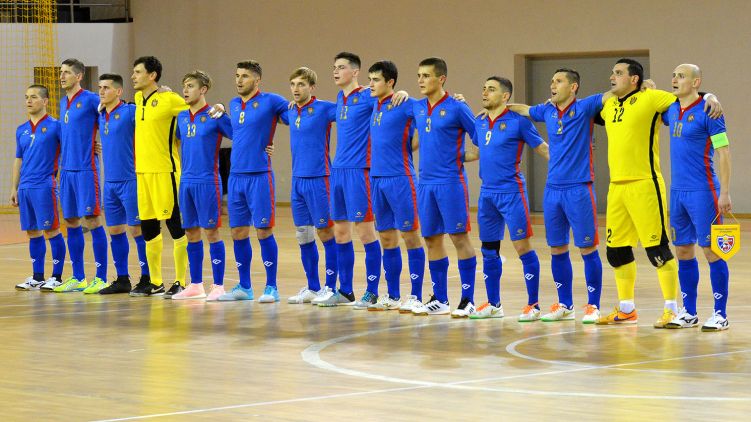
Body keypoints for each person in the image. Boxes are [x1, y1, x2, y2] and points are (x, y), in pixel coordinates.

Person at [596, 58, 720, 328]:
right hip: (616, 187)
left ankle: (672, 309)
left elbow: (686, 101)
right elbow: (592, 111)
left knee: (658, 249)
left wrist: (709, 95)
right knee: (616, 251)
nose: (612, 77)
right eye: (612, 73)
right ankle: (627, 308)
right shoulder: (609, 105)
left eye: (618, 73)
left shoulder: (653, 99)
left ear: (634, 79)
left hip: (645, 184)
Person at [507, 68, 606, 323]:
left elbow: (616, 94)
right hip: (552, 190)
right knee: (557, 247)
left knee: (587, 247)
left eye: (558, 81)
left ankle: (593, 306)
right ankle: (565, 304)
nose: (552, 85)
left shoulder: (586, 107)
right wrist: (499, 106)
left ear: (573, 87)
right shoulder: (546, 110)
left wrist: (646, 85)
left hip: (579, 188)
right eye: (551, 80)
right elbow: (525, 109)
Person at [468, 76, 549, 320]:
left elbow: (542, 148)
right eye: (484, 88)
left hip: (512, 193)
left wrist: (567, 166)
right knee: (489, 249)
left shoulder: (518, 123)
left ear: (505, 96)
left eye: (491, 89)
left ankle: (533, 305)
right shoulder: (479, 122)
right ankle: (494, 304)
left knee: (522, 247)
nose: (485, 92)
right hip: (487, 195)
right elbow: (477, 151)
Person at [662, 64, 731, 331]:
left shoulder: (709, 111)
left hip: (704, 192)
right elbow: (652, 97)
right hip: (677, 193)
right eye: (674, 75)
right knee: (682, 249)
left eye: (681, 76)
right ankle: (689, 312)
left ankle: (720, 314)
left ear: (696, 82)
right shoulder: (670, 109)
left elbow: (724, 152)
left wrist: (724, 191)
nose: (675, 79)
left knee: (712, 251)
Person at [409, 57, 477, 317]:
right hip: (425, 183)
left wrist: (462, 157)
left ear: (441, 79)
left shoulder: (458, 108)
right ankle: (440, 298)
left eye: (426, 75)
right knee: (431, 239)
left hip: (450, 183)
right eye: (418, 75)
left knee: (459, 238)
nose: (421, 81)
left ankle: (468, 299)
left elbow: (482, 139)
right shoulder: (416, 107)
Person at [218, 60, 288, 302]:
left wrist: (271, 141)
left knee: (263, 230)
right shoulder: (234, 104)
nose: (239, 80)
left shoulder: (272, 101)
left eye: (245, 76)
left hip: (260, 176)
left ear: (257, 80)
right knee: (237, 231)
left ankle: (272, 287)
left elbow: (296, 118)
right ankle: (244, 287)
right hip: (236, 177)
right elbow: (236, 131)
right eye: (237, 75)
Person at [364, 60, 425, 312]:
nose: (371, 84)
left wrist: (406, 92)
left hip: (401, 178)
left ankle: (416, 295)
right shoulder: (372, 103)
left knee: (410, 236)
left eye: (376, 79)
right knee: (387, 238)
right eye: (370, 79)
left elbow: (429, 112)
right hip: (377, 179)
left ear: (390, 82)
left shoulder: (406, 104)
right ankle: (392, 295)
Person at [166, 70, 233, 301]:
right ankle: (195, 285)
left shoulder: (215, 116)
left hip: (208, 181)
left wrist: (224, 108)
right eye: (184, 86)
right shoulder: (182, 118)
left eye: (191, 86)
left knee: (211, 232)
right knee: (191, 232)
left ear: (203, 89)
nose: (185, 90)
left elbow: (241, 136)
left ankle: (218, 285)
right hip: (186, 183)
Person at [128, 55, 190, 298]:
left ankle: (181, 281)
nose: (133, 76)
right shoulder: (137, 99)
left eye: (138, 72)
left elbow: (197, 109)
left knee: (175, 225)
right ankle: (155, 282)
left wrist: (219, 109)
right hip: (142, 172)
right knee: (149, 227)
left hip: (166, 171)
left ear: (152, 75)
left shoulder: (170, 99)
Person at [279, 67, 339, 304]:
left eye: (301, 84)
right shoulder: (290, 111)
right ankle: (312, 287)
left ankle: (331, 287)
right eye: (293, 84)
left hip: (320, 178)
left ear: (312, 87)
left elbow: (351, 112)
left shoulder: (324, 108)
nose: (296, 89)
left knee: (325, 232)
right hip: (297, 181)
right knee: (303, 234)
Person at [54, 58, 108, 293]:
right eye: (61, 72)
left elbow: (108, 120)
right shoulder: (63, 102)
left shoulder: (92, 99)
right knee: (71, 221)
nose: (62, 76)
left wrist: (100, 142)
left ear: (79, 76)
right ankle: (78, 277)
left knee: (93, 220)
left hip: (87, 170)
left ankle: (101, 277)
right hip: (67, 170)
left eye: (66, 72)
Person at [96, 73, 151, 295]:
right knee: (115, 230)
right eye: (100, 87)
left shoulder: (130, 112)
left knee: (137, 229)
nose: (101, 91)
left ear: (118, 91)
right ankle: (122, 279)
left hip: (131, 180)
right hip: (110, 183)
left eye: (107, 88)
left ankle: (148, 278)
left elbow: (154, 118)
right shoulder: (100, 114)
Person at [12, 85, 67, 291]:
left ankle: (57, 277)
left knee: (51, 230)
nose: (28, 101)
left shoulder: (56, 126)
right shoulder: (21, 130)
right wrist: (14, 187)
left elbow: (70, 150)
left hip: (45, 186)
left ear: (45, 101)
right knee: (33, 232)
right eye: (26, 97)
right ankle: (37, 277)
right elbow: (18, 160)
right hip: (25, 187)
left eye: (33, 97)